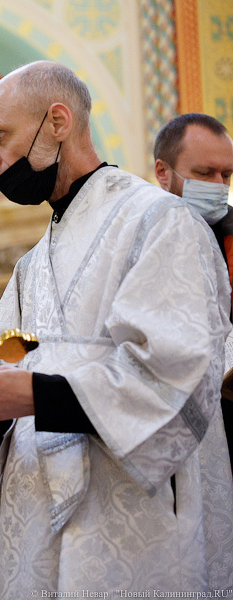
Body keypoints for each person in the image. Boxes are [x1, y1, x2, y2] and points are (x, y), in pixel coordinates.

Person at [0, 61, 233, 594]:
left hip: (134, 531)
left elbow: (176, 375)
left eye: (0, 135)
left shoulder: (160, 221)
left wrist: (36, 395)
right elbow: (16, 385)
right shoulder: (30, 267)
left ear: (57, 122)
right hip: (34, 533)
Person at [153, 113, 233, 464]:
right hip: (173, 429)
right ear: (163, 173)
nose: (218, 184)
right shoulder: (137, 241)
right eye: (204, 173)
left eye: (226, 174)